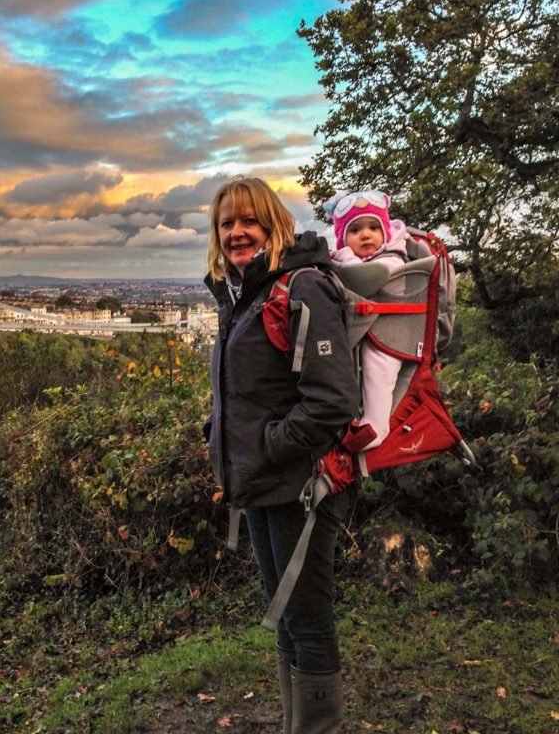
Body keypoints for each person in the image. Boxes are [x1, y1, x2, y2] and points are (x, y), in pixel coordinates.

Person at [204, 176, 360, 733]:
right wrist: (220, 430)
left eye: (250, 220)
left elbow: (334, 400)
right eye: (227, 223)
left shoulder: (302, 287)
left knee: (308, 621)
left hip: (301, 485)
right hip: (261, 482)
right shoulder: (242, 295)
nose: (237, 232)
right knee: (286, 620)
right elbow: (253, 389)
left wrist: (269, 445)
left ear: (273, 225)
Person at [324, 189, 412, 455]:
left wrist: (342, 258)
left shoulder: (392, 258)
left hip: (390, 336)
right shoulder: (364, 259)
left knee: (377, 373)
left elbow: (366, 278)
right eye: (355, 230)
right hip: (370, 330)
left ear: (385, 232)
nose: (366, 235)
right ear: (343, 238)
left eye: (374, 227)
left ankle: (376, 427)